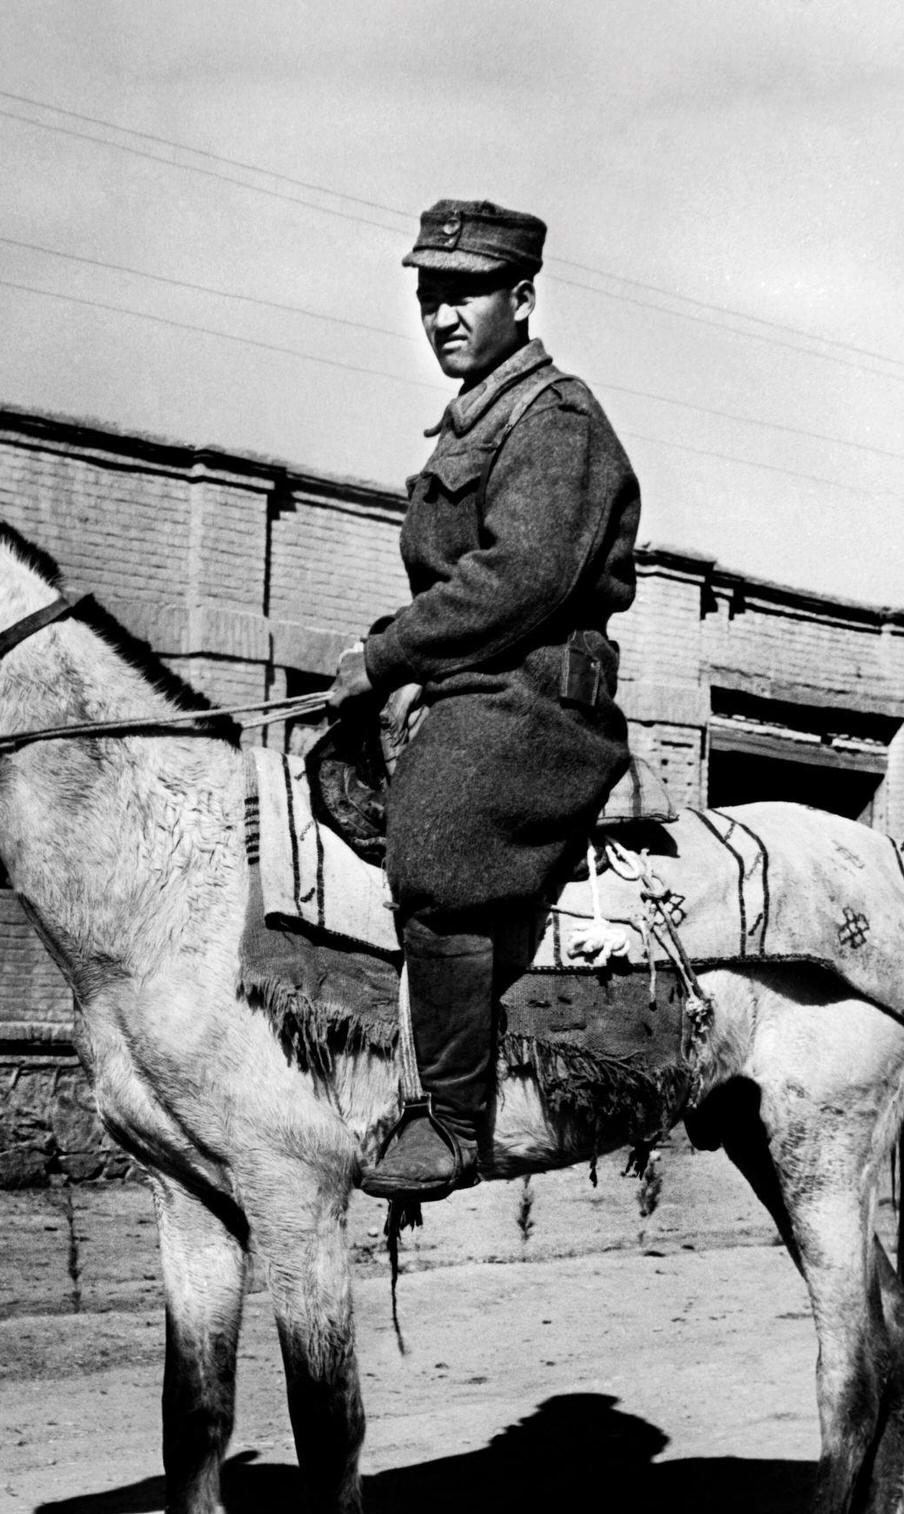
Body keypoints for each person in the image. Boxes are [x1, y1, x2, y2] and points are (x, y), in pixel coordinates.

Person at [328, 197, 640, 1203]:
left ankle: (453, 1120)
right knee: (329, 780)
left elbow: (522, 582)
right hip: (475, 682)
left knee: (437, 838)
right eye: (427, 297)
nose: (441, 316)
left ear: (520, 296)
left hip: (540, 699)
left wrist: (383, 656)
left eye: (463, 293)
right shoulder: (471, 420)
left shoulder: (556, 419)